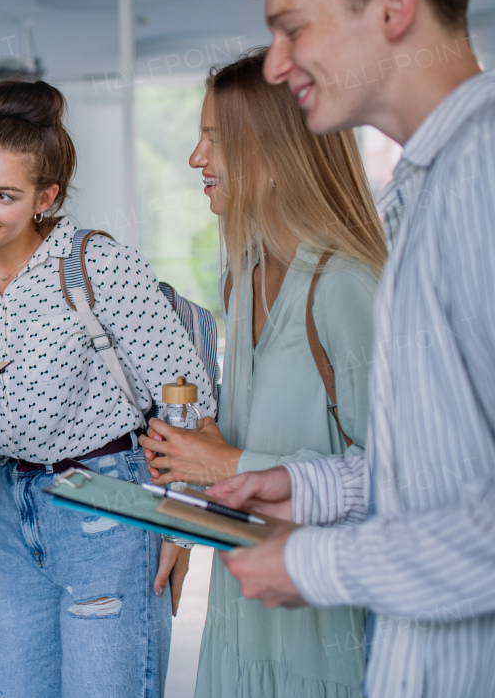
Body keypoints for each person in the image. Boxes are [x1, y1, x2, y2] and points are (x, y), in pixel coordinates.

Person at [201, 0, 495, 696]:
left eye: (295, 28)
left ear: (393, 8)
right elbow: (450, 474)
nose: (275, 63)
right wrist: (312, 487)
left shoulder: (483, 181)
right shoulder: (421, 194)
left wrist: (315, 559)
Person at [0, 78, 215, 698]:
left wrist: (179, 524)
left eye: (5, 195)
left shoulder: (96, 263)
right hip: (8, 502)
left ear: (47, 197)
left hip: (108, 499)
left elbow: (188, 395)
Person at [139, 48, 385, 697]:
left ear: (271, 153)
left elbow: (397, 484)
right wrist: (185, 512)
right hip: (241, 616)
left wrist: (222, 464)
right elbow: (236, 454)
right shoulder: (240, 277)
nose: (196, 159)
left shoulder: (346, 287)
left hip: (324, 633)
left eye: (214, 140)